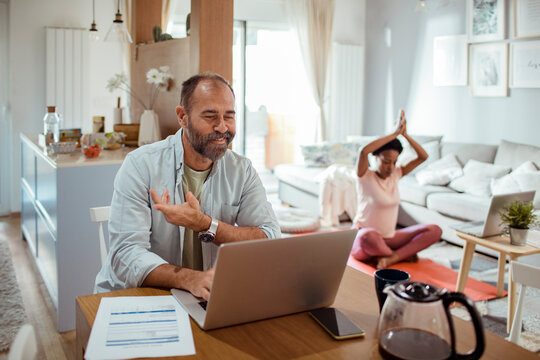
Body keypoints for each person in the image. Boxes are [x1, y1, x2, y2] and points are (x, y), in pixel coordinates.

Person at [95, 72, 281, 300]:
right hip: (140, 296)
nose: (222, 127)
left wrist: (205, 224)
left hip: (204, 296)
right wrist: (189, 279)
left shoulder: (241, 170)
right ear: (183, 117)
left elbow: (269, 239)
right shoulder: (140, 165)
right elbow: (125, 254)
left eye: (229, 116)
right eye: (210, 116)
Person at [351, 109, 441, 269]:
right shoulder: (365, 176)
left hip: (390, 238)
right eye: (386, 161)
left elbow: (423, 157)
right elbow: (363, 151)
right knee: (368, 237)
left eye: (394, 162)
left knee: (434, 230)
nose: (391, 167)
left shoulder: (396, 174)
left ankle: (390, 257)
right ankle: (400, 255)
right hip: (363, 238)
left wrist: (405, 135)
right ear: (375, 157)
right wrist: (394, 134)